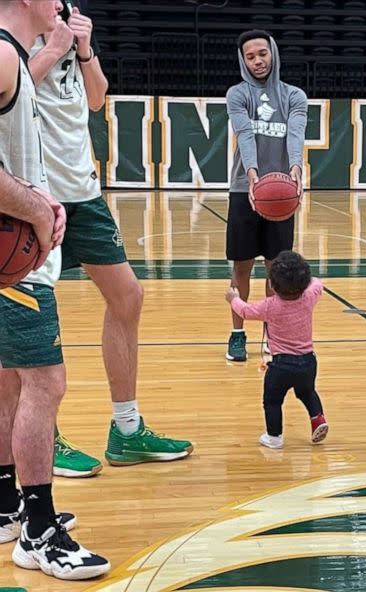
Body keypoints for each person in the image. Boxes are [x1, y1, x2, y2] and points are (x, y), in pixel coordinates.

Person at [28, 0, 193, 478]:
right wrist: (52, 47)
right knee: (35, 310)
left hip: (84, 193)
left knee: (128, 297)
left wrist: (82, 48)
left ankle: (126, 429)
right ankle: (44, 434)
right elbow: (12, 91)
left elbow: (97, 98)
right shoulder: (14, 33)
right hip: (36, 197)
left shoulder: (67, 25)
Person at [0, 0, 110, 580]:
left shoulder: (15, 56)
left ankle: (4, 505)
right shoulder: (3, 56)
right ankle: (39, 532)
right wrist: (37, 210)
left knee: (11, 382)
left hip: (16, 259)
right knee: (46, 384)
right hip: (16, 269)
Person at [225, 29, 308, 362]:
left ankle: (272, 337)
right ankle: (236, 334)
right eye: (250, 56)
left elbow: (296, 135)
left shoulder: (294, 96)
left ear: (273, 53)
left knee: (276, 270)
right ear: (243, 61)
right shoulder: (237, 94)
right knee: (241, 268)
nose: (258, 61)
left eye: (262, 53)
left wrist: (296, 168)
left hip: (281, 194)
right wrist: (252, 173)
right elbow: (245, 133)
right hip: (245, 191)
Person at [225, 250, 328, 449]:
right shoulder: (309, 296)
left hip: (281, 366)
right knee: (307, 392)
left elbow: (245, 311)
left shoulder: (270, 306)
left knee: (272, 400)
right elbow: (317, 282)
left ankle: (274, 436)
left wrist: (233, 298)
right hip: (308, 362)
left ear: (272, 284)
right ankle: (318, 419)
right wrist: (305, 279)